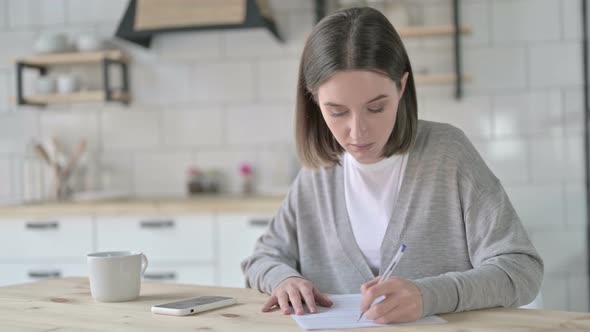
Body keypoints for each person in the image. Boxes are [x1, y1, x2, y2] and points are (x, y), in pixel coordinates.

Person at [241, 6, 543, 324]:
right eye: (337, 111)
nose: (357, 132)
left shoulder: (448, 154)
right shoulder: (318, 174)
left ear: (401, 87)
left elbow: (521, 270)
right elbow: (262, 258)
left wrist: (429, 295)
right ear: (314, 100)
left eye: (376, 107)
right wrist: (284, 280)